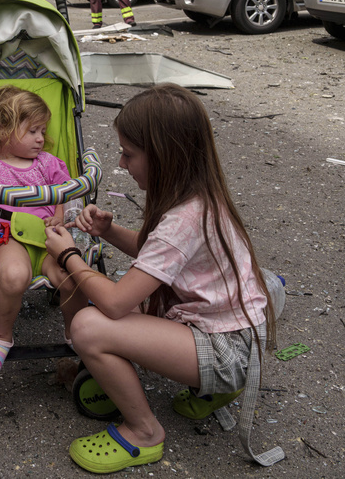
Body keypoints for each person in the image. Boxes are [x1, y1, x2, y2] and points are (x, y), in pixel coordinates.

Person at [43, 84, 280, 474]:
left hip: (226, 351)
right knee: (128, 301)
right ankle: (208, 388)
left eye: (129, 154)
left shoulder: (182, 220)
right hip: (237, 332)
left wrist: (68, 255)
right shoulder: (199, 197)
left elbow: (116, 302)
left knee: (90, 325)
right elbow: (158, 256)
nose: (121, 163)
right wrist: (109, 231)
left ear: (164, 155)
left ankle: (143, 432)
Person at [0, 85, 79, 376]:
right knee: (15, 276)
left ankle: (77, 330)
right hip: (6, 238)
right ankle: (2, 337)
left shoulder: (49, 164)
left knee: (73, 277)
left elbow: (63, 195)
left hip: (48, 237)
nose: (41, 138)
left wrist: (58, 217)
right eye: (33, 131)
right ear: (3, 129)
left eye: (43, 130)